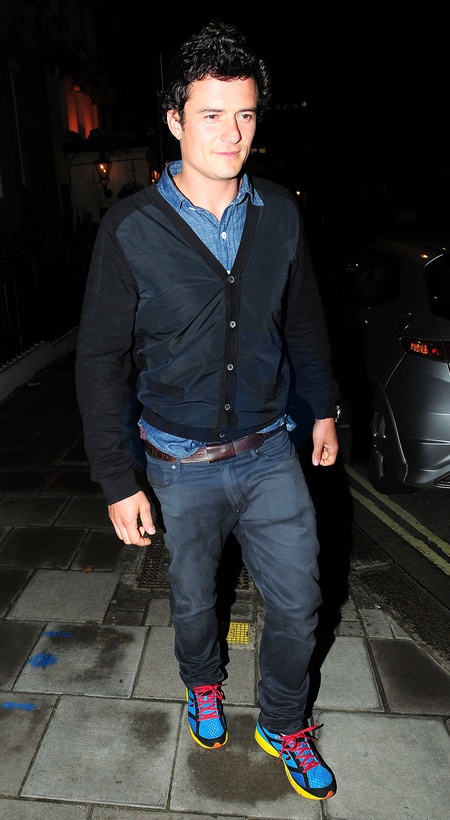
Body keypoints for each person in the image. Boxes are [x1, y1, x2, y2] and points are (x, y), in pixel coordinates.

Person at [75, 19, 340, 802]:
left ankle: (284, 721)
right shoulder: (129, 229)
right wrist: (117, 479)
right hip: (178, 464)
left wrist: (322, 408)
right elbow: (99, 362)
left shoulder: (280, 213)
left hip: (269, 450)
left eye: (246, 114)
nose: (232, 134)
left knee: (301, 601)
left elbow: (304, 321)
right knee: (194, 602)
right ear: (175, 121)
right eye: (213, 115)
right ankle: (202, 683)